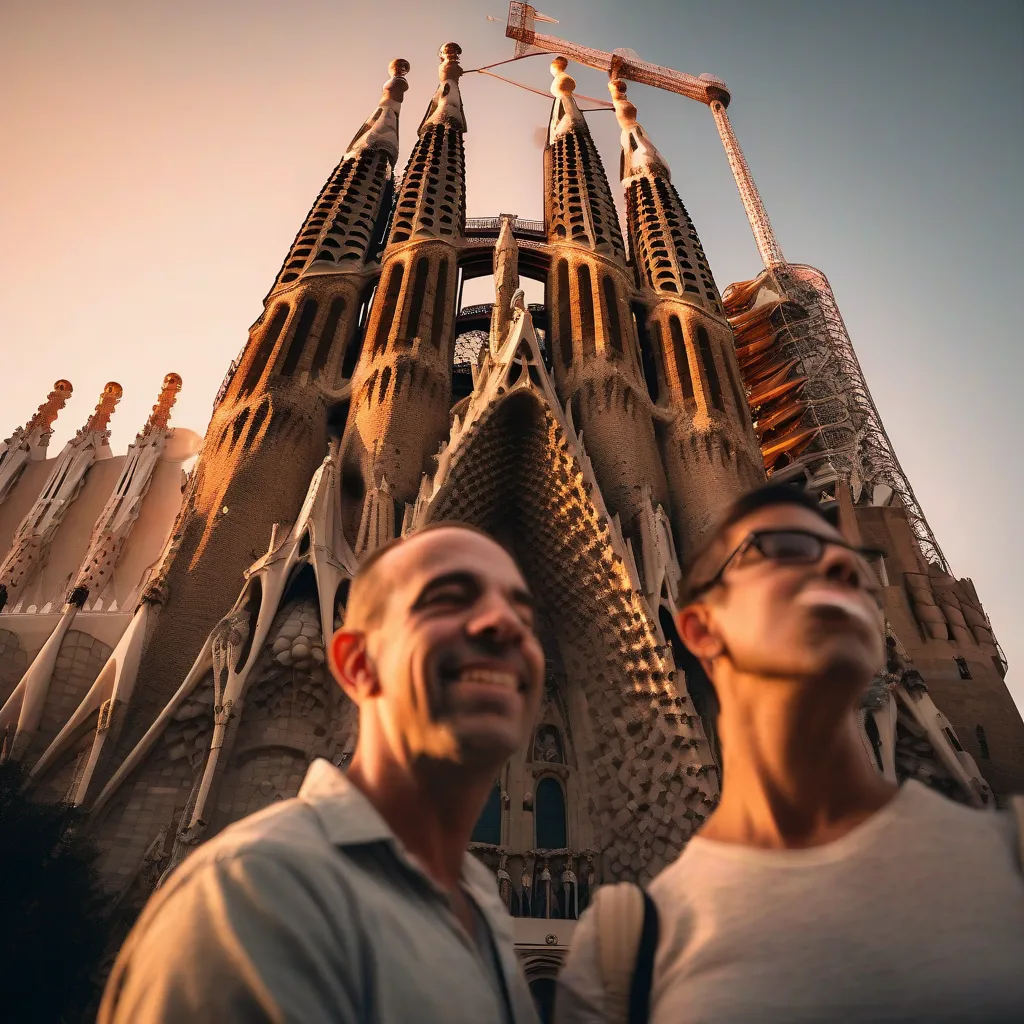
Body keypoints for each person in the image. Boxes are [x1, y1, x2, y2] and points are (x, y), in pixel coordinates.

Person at [556, 483, 1024, 1023]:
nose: (840, 575)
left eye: (851, 564)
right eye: (786, 554)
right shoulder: (625, 942)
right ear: (701, 629)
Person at [100, 523, 546, 1023]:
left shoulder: (483, 906)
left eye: (523, 617)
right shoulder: (252, 891)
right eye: (450, 602)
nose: (502, 628)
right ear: (358, 664)